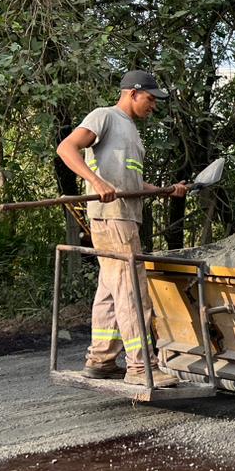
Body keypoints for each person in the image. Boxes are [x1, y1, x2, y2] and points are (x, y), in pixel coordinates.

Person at [56, 70, 188, 382]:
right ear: (132, 93)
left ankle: (101, 358)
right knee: (132, 290)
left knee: (110, 289)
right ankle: (142, 367)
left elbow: (130, 181)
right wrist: (95, 181)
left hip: (124, 215)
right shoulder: (105, 117)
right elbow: (66, 148)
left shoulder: (130, 131)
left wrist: (162, 190)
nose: (153, 106)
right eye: (150, 99)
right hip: (113, 217)